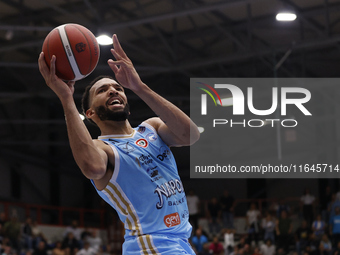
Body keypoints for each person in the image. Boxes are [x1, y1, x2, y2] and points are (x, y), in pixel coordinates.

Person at [38, 34, 200, 255]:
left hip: (180, 243)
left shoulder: (151, 128)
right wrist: (66, 99)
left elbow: (190, 135)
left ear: (127, 105)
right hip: (151, 245)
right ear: (90, 113)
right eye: (102, 91)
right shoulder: (103, 148)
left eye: (117, 88)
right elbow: (92, 167)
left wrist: (139, 86)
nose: (113, 90)